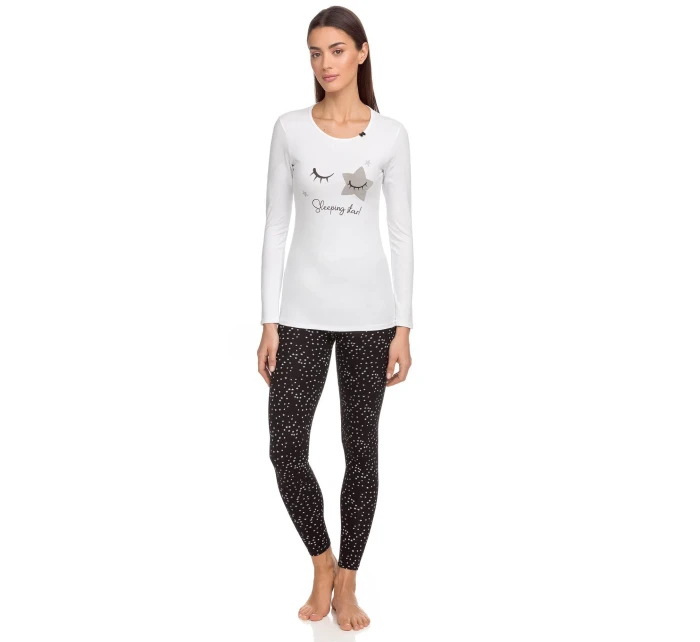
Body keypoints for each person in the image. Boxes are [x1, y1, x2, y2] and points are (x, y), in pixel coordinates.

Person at [257, 6, 414, 632]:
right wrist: (269, 321)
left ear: (362, 52)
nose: (326, 63)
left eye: (337, 50)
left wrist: (404, 326)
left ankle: (348, 579)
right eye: (316, 52)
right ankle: (321, 560)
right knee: (285, 448)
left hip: (371, 318)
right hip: (299, 315)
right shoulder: (290, 129)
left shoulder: (391, 136)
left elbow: (401, 235)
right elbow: (275, 225)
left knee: (361, 451)